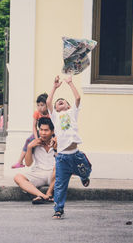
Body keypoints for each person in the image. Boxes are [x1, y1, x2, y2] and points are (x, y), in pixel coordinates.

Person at [47, 75, 92, 219]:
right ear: (55, 109)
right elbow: (48, 101)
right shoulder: (55, 117)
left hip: (76, 154)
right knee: (60, 184)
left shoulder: (72, 113)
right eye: (58, 103)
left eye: (63, 101)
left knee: (86, 170)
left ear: (68, 106)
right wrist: (54, 87)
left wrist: (70, 83)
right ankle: (58, 210)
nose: (60, 102)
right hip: (62, 158)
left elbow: (78, 98)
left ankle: (84, 176)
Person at [13, 117, 56, 204]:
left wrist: (56, 148)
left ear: (52, 131)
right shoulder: (33, 140)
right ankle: (42, 196)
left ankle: (49, 193)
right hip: (38, 172)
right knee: (18, 177)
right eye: (41, 130)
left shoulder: (58, 141)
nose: (43, 133)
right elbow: (28, 164)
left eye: (46, 130)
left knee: (61, 168)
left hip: (54, 174)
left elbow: (63, 161)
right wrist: (29, 147)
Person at [12, 93, 50, 169]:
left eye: (42, 105)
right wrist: (36, 138)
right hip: (40, 133)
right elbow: (34, 126)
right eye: (38, 105)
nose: (39, 107)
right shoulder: (37, 113)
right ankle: (20, 161)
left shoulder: (51, 113)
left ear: (47, 105)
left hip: (50, 133)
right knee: (29, 140)